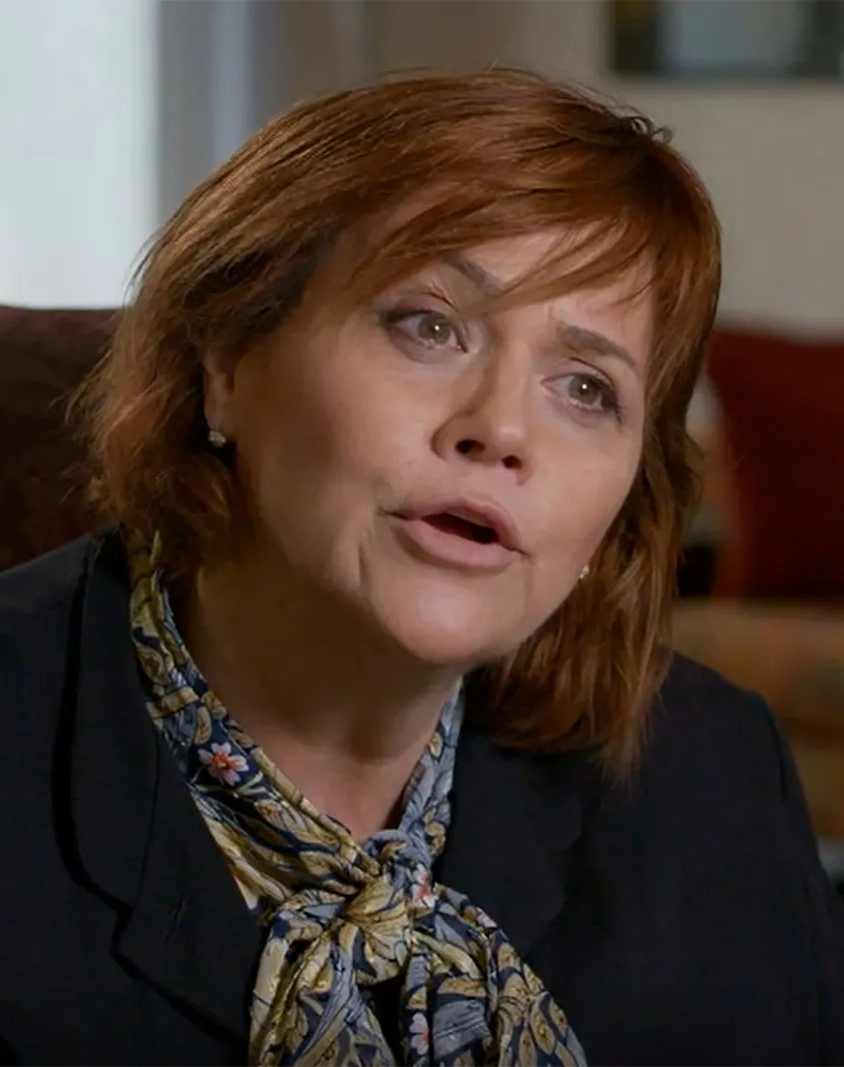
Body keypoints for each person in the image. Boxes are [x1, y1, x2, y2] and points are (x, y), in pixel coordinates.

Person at [0, 69, 841, 1067]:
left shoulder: (713, 768)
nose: (501, 429)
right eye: (428, 326)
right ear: (226, 360)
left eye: (585, 387)